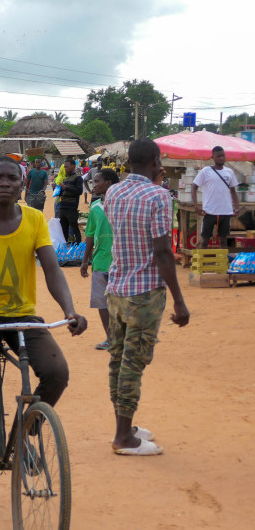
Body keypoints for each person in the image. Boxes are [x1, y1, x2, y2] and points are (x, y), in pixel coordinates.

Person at [0, 156, 87, 496]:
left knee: (57, 372)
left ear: (23, 184)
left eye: (12, 178)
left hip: (22, 315)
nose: (5, 183)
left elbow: (52, 269)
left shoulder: (35, 219)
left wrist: (69, 309)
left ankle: (24, 436)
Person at [103, 138, 190, 456]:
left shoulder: (113, 191)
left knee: (118, 360)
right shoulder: (158, 195)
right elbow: (163, 251)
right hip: (144, 291)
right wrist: (179, 300)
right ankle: (123, 437)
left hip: (117, 288)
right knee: (133, 363)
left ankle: (123, 426)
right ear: (155, 161)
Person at [80, 169, 120, 351]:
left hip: (120, 261)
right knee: (101, 303)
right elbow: (89, 234)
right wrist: (84, 260)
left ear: (109, 183)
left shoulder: (122, 205)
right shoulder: (95, 207)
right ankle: (110, 338)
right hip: (100, 260)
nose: (94, 185)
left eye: (98, 181)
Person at [192, 146, 241, 249]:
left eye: (223, 155)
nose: (221, 158)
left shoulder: (229, 172)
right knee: (205, 240)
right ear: (212, 157)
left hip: (225, 212)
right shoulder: (206, 171)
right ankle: (202, 263)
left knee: (223, 240)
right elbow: (194, 187)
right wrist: (196, 206)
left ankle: (222, 263)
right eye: (218, 156)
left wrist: (237, 207)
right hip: (209, 211)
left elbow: (233, 192)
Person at [58, 159, 84, 244]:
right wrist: (57, 189)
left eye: (67, 167)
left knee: (74, 227)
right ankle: (65, 246)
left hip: (71, 207)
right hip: (63, 207)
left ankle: (79, 245)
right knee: (63, 229)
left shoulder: (78, 178)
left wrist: (66, 187)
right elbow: (62, 192)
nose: (65, 168)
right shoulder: (66, 178)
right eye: (64, 167)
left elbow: (79, 191)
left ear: (73, 166)